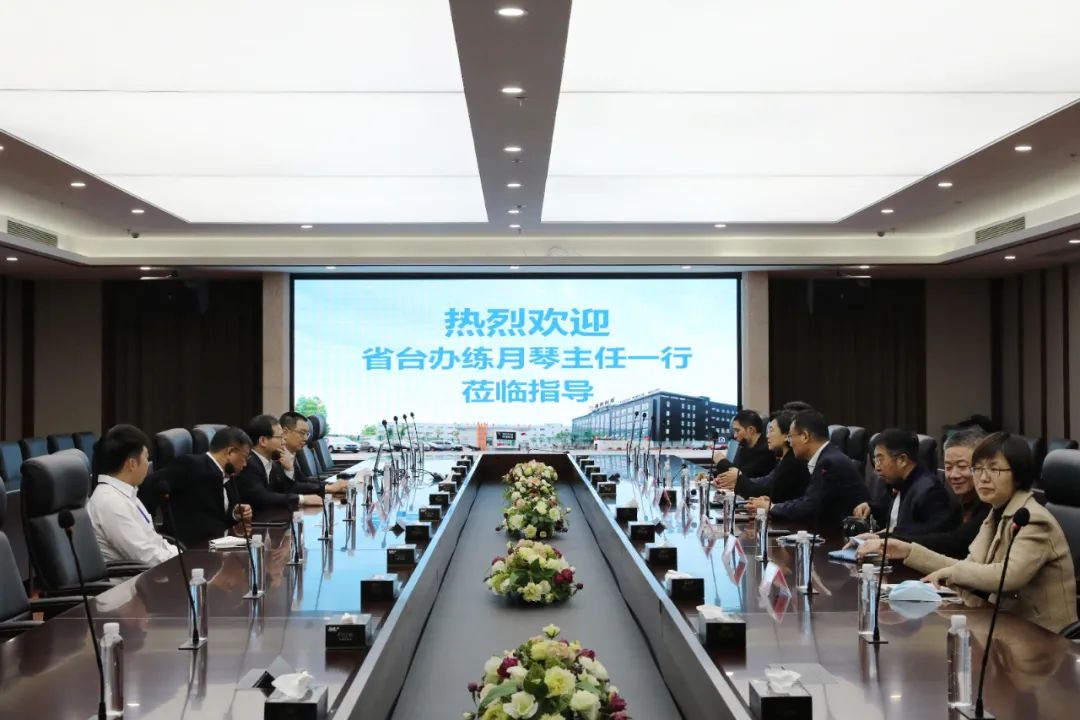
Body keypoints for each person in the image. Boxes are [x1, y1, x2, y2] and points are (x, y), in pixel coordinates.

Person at [895, 432, 1075, 633]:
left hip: (1044, 635)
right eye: (978, 469)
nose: (983, 478)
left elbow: (1008, 576)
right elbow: (970, 565)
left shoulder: (1032, 518)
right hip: (1006, 623)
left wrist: (954, 573)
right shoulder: (996, 512)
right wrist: (908, 551)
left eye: (994, 469)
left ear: (1018, 474)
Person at [856, 429, 990, 559]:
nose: (954, 475)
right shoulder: (961, 501)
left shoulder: (990, 506)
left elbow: (954, 541)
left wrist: (890, 542)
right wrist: (882, 537)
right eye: (948, 467)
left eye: (962, 466)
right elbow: (928, 532)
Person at [748, 410, 868, 530]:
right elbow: (808, 500)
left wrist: (771, 507)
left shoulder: (829, 463)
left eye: (790, 437)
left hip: (839, 534)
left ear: (805, 436)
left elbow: (809, 507)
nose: (790, 443)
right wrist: (775, 505)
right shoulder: (827, 456)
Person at [86, 424, 179, 565]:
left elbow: (155, 542)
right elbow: (147, 557)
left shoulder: (126, 493)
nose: (148, 464)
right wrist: (183, 561)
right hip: (132, 577)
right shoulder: (111, 503)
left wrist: (182, 555)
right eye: (146, 458)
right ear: (132, 464)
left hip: (149, 572)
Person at [150, 426, 254, 546]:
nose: (245, 464)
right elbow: (150, 486)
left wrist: (235, 514)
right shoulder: (191, 465)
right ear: (230, 452)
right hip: (192, 548)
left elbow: (217, 515)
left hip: (218, 544)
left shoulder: (228, 474)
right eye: (244, 457)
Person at [852, 428, 959, 536]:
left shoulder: (929, 490)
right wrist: (871, 508)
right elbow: (889, 510)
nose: (877, 468)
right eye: (875, 460)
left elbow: (934, 533)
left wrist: (885, 536)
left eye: (880, 460)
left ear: (902, 460)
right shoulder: (896, 482)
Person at [715, 410, 809, 503]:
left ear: (786, 436)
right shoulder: (785, 458)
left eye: (771, 430)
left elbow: (762, 487)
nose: (767, 435)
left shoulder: (791, 461)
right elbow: (765, 481)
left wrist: (734, 475)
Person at [236, 414, 323, 511]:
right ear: (263, 441)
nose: (284, 441)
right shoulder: (248, 464)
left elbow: (284, 491)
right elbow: (262, 497)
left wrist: (289, 470)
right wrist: (301, 499)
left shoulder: (273, 462)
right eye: (280, 437)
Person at [279, 411, 347, 494]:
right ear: (285, 432)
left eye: (307, 434)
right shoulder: (276, 456)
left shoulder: (291, 453)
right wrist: (328, 488)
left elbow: (303, 480)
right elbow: (290, 488)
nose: (306, 438)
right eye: (302, 433)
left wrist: (332, 485)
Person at [714, 409, 776, 483]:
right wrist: (713, 477)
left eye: (737, 430)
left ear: (751, 430)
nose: (735, 435)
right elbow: (735, 469)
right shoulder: (744, 446)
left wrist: (721, 462)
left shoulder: (767, 450)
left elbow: (741, 476)